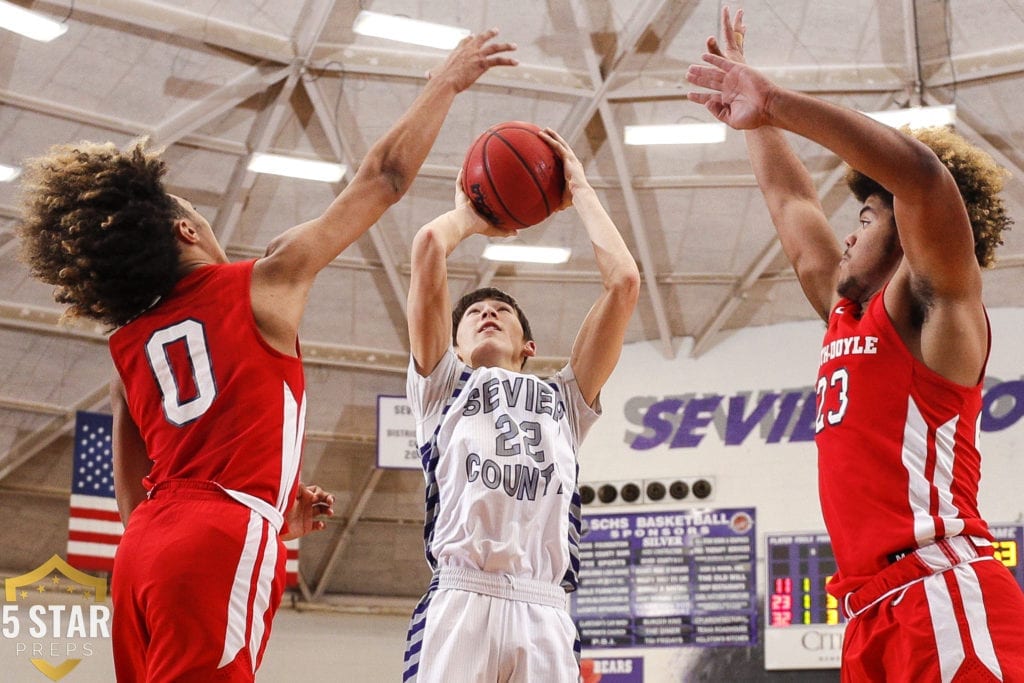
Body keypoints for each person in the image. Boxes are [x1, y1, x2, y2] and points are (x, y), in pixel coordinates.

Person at [16, 30, 517, 683]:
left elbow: (138, 499)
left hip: (141, 552)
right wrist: (445, 81)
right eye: (198, 209)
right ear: (186, 230)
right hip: (218, 531)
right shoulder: (262, 285)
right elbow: (385, 177)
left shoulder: (130, 345)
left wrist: (266, 512)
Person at [687, 7, 1024, 681]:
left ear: (907, 233)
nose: (846, 233)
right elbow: (789, 202)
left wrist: (779, 102)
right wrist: (753, 120)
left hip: (942, 589)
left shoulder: (936, 312)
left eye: (865, 216)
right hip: (872, 612)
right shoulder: (848, 313)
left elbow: (923, 179)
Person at [402, 128, 640, 682]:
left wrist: (579, 189)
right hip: (462, 599)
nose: (487, 313)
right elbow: (429, 248)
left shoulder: (563, 400)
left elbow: (624, 281)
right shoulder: (443, 386)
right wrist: (472, 214)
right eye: (473, 313)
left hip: (544, 607)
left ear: (528, 347)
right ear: (452, 344)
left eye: (502, 312)